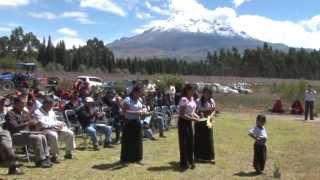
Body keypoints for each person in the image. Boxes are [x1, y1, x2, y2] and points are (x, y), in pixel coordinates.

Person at [4, 97, 52, 168]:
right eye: (22, 103)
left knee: (42, 136)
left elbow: (32, 125)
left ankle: (46, 157)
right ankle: (40, 160)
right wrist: (27, 123)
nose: (23, 105)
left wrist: (37, 125)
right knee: (37, 138)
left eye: (24, 104)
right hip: (15, 136)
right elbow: (14, 127)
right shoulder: (10, 114)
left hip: (27, 133)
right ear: (16, 104)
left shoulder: (25, 113)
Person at [34, 98, 76, 163]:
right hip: (45, 131)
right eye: (49, 105)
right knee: (53, 135)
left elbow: (55, 121)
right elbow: (42, 124)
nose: (50, 107)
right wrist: (54, 126)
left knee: (70, 133)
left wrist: (61, 123)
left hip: (56, 129)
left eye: (51, 105)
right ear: (44, 104)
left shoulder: (51, 111)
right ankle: (54, 156)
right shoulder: (37, 112)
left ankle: (68, 153)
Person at [121, 86, 150, 164]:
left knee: (138, 141)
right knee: (128, 142)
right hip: (129, 122)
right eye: (138, 93)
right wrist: (136, 113)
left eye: (140, 93)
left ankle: (137, 159)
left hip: (137, 121)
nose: (139, 94)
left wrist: (144, 110)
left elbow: (143, 107)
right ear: (134, 92)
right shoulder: (128, 100)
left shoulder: (139, 99)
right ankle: (126, 159)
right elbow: (124, 111)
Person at [178, 84, 199, 171]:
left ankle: (191, 161)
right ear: (186, 90)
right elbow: (182, 114)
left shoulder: (192, 99)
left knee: (191, 142)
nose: (192, 91)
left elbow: (192, 111)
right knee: (184, 143)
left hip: (189, 121)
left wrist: (196, 116)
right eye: (190, 90)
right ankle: (184, 163)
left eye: (193, 90)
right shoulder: (184, 99)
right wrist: (193, 118)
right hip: (183, 122)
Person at [195, 87, 216, 163]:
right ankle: (198, 157)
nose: (206, 94)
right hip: (199, 120)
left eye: (208, 93)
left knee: (209, 138)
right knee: (199, 138)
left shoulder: (212, 101)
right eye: (205, 92)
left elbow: (214, 110)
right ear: (203, 93)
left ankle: (210, 157)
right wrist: (199, 115)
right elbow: (196, 110)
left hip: (208, 120)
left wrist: (210, 117)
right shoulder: (198, 101)